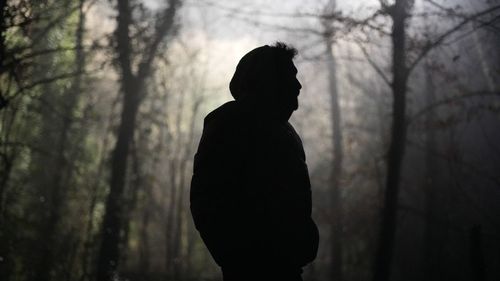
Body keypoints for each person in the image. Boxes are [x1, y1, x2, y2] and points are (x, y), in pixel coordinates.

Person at [190, 42, 319, 281]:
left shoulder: (286, 133)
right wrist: (240, 258)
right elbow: (207, 200)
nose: (298, 85)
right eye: (290, 77)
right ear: (269, 81)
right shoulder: (230, 124)